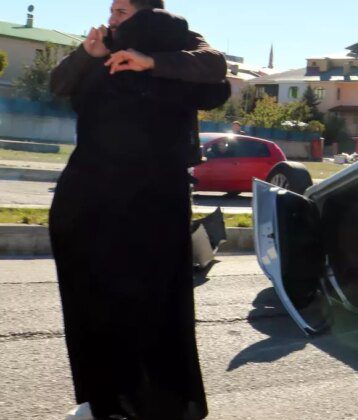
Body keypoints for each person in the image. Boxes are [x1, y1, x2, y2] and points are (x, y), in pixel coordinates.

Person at [49, 1, 228, 419]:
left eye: (123, 11)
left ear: (150, 14)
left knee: (146, 302)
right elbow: (59, 83)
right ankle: (112, 397)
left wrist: (151, 61)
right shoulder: (104, 49)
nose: (112, 19)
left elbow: (214, 66)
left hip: (147, 199)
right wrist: (86, 55)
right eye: (111, 10)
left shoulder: (179, 43)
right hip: (95, 197)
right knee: (102, 301)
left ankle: (140, 398)